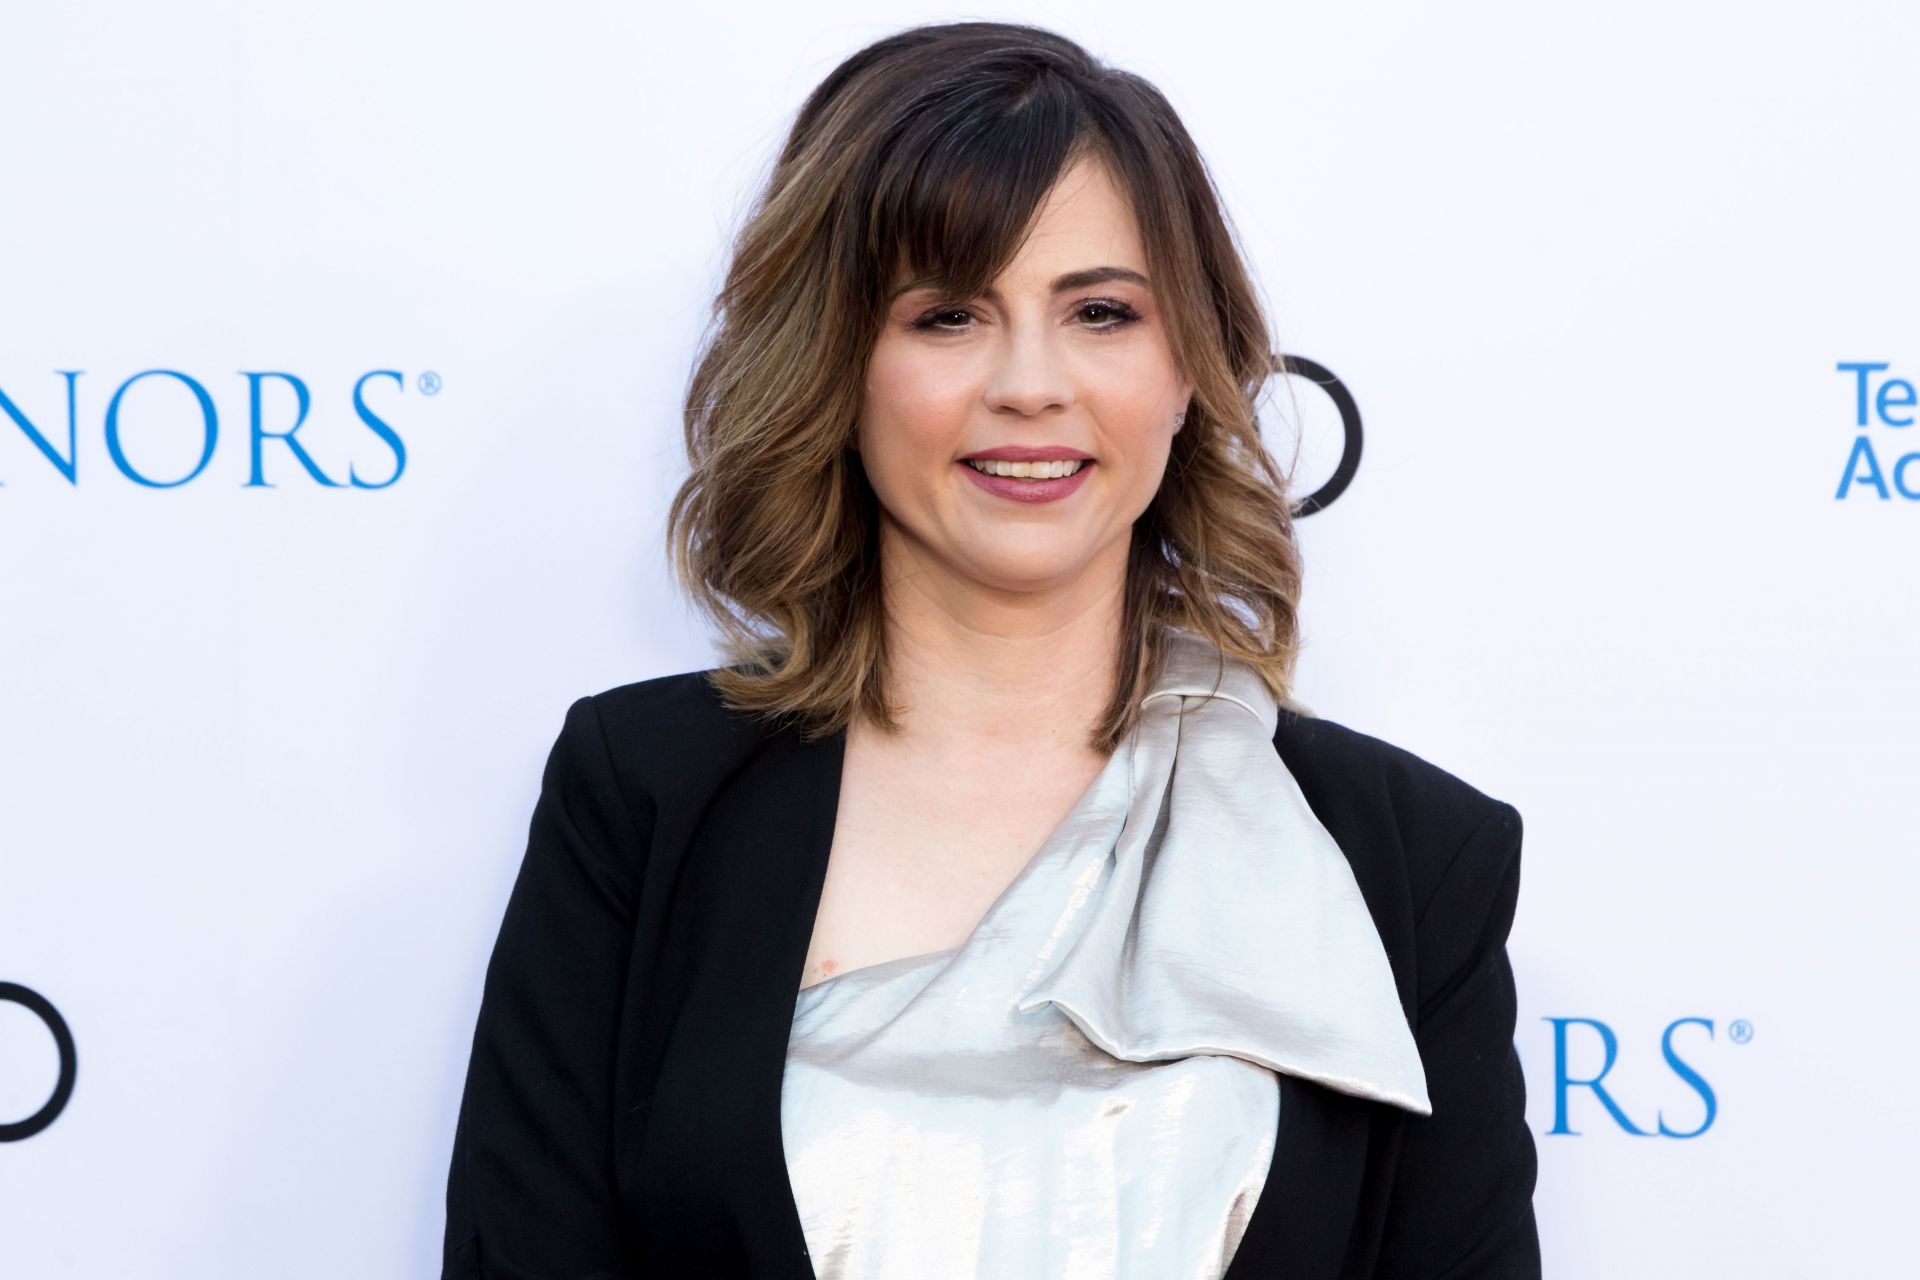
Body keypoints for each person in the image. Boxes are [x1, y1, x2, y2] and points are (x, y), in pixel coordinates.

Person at [440, 19, 1538, 1280]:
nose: (1030, 382)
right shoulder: (641, 796)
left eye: (1102, 311)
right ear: (839, 364)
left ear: (1189, 367)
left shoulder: (1408, 855)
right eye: (950, 313)